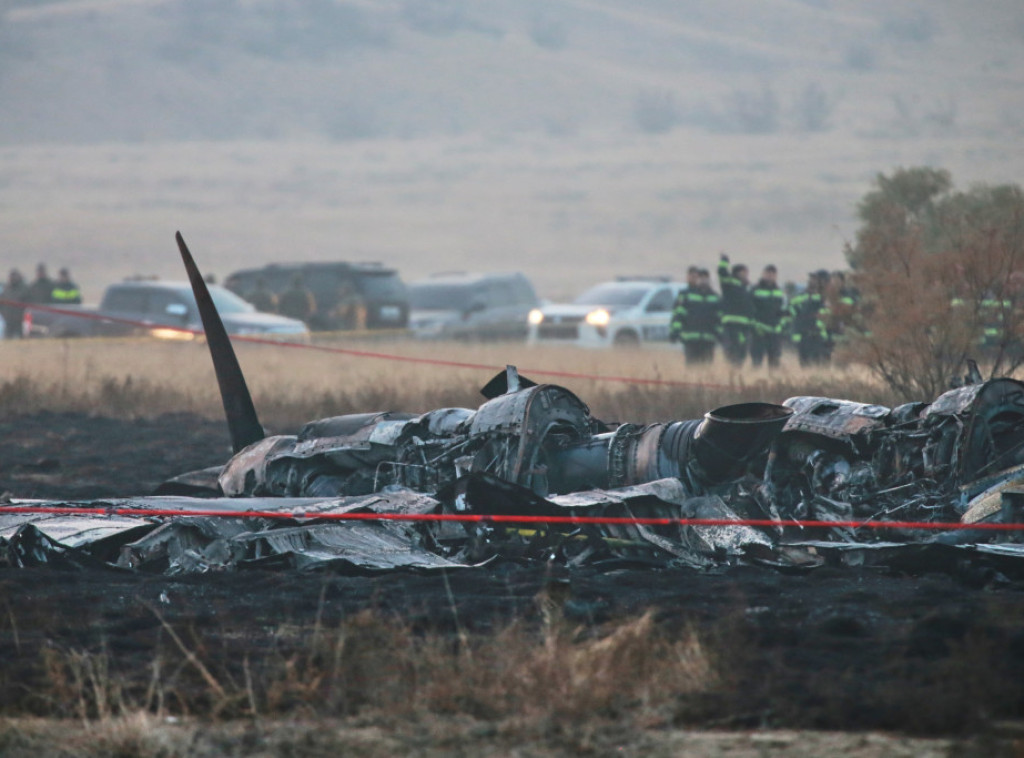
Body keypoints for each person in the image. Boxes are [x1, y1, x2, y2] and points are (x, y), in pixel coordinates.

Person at [670, 266, 721, 364]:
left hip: (708, 340)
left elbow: (718, 318)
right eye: (701, 278)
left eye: (706, 278)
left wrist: (720, 334)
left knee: (706, 369)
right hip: (690, 339)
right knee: (691, 368)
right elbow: (678, 315)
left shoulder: (715, 297)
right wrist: (675, 331)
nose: (703, 281)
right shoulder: (686, 294)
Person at [717, 253, 754, 367]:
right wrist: (724, 261)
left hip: (744, 327)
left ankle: (737, 372)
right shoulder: (730, 284)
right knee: (730, 353)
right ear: (737, 273)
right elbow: (722, 273)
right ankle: (731, 371)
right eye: (744, 273)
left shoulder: (746, 289)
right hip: (731, 325)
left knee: (741, 354)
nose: (747, 275)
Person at [789, 270, 832, 366]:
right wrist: (795, 333)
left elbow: (827, 316)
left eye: (815, 279)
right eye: (811, 279)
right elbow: (794, 315)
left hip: (818, 337)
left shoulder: (824, 298)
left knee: (819, 364)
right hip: (804, 336)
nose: (811, 281)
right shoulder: (800, 296)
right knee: (805, 365)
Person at [750, 264, 787, 369]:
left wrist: (781, 326)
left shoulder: (780, 292)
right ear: (763, 274)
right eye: (768, 273)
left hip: (775, 331)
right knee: (757, 359)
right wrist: (755, 326)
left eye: (773, 274)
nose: (770, 276)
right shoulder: (755, 290)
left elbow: (784, 311)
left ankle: (774, 382)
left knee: (775, 360)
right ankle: (754, 380)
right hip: (759, 331)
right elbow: (750, 310)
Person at [0, 269, 29, 339]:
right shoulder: (6, 289)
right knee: (8, 338)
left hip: (20, 320)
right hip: (8, 320)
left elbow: (28, 303)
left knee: (21, 338)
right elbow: (2, 303)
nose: (12, 278)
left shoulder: (24, 289)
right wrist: (4, 314)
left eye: (14, 276)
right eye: (11, 276)